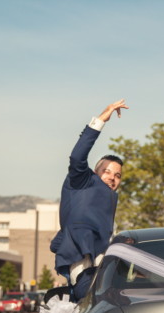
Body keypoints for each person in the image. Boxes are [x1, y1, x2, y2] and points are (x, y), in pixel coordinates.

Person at [50, 99, 128, 302]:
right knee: (90, 298)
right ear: (95, 172)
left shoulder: (111, 198)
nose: (112, 178)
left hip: (102, 260)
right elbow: (77, 157)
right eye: (107, 172)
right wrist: (101, 119)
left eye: (118, 176)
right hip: (80, 256)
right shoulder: (82, 181)